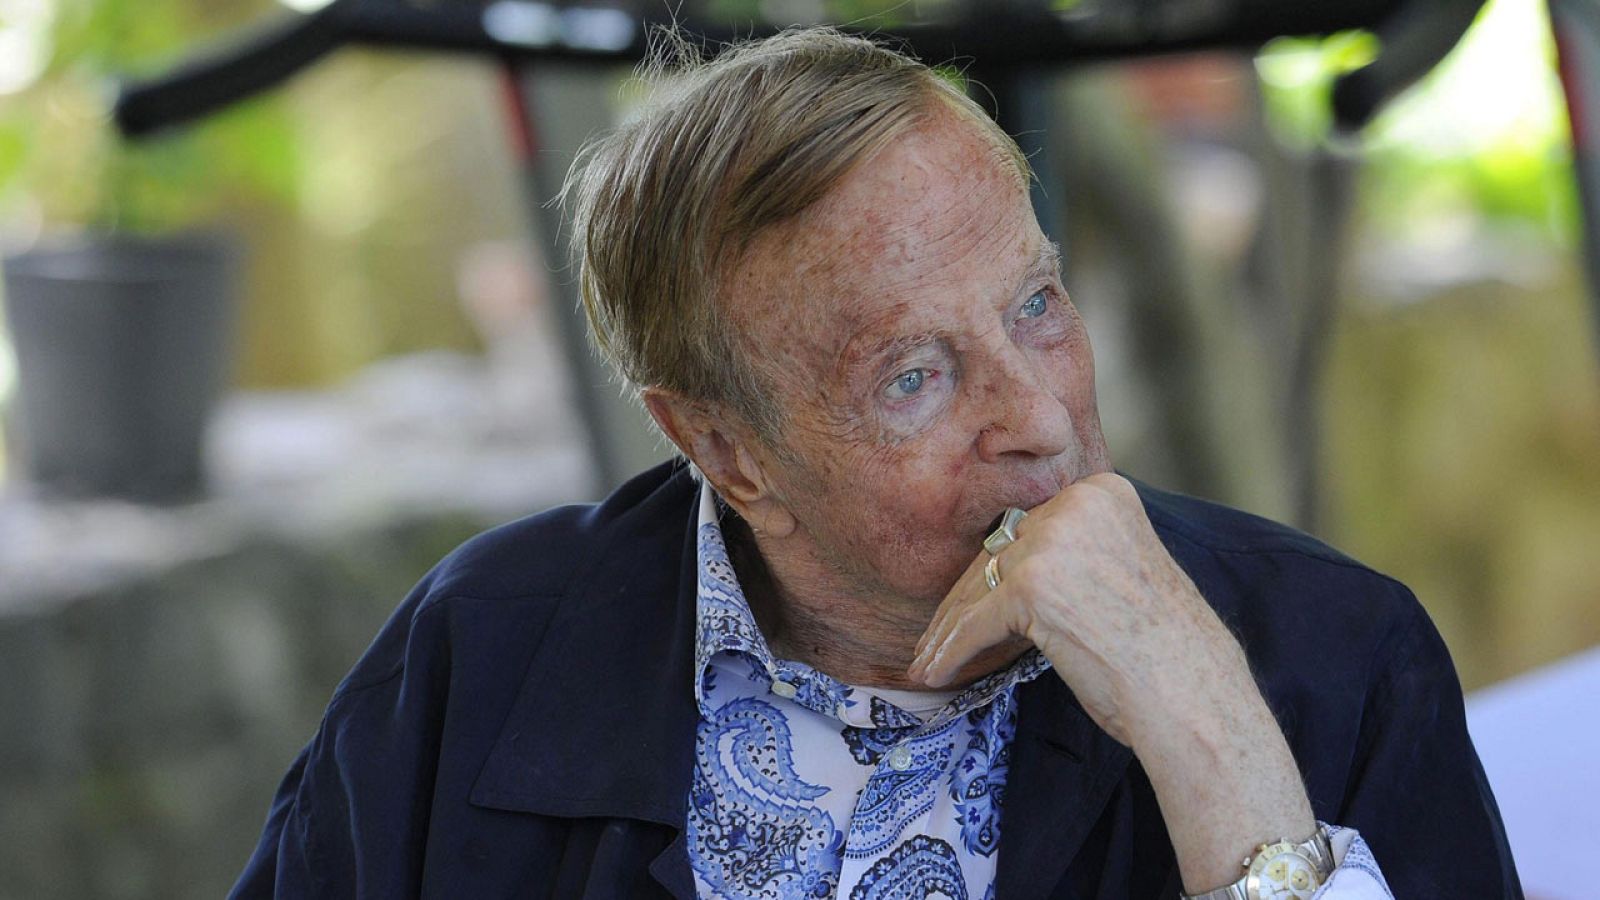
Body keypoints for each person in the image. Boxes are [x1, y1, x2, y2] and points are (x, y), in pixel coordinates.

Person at [231, 27, 1520, 900]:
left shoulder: (1332, 659)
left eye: (1036, 305)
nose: (1040, 418)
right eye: (915, 376)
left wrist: (1211, 734)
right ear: (725, 449)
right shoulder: (486, 653)